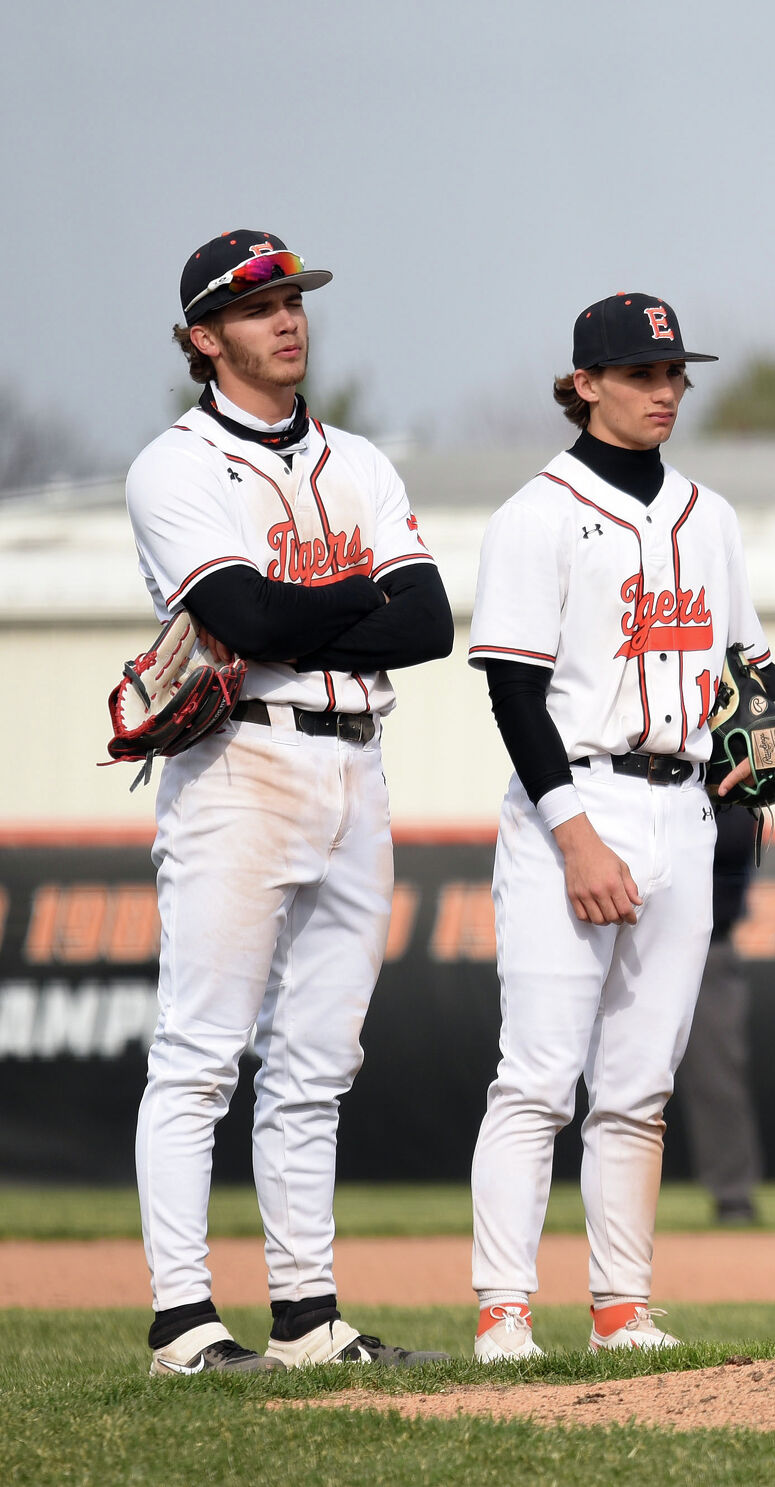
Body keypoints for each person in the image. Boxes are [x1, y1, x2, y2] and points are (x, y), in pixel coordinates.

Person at [467, 293, 775, 1362]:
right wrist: (574, 835)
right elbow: (514, 695)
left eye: (674, 373)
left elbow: (748, 668)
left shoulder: (707, 516)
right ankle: (502, 1309)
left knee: (639, 1083)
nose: (663, 390)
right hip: (575, 795)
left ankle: (620, 1303)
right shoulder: (536, 513)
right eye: (639, 374)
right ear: (584, 383)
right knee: (536, 1072)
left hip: (685, 805)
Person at [126, 231, 453, 1373]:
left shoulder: (357, 457)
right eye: (257, 304)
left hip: (357, 759)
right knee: (200, 1050)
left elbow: (428, 626)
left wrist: (310, 602)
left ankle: (308, 1316)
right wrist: (355, 589)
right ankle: (182, 1322)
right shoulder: (173, 466)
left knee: (318, 1057)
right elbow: (247, 626)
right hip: (239, 766)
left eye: (294, 298)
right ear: (204, 336)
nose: (287, 318)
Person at [679, 802, 766, 1226]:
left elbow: (733, 840)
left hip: (709, 944)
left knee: (718, 1075)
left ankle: (733, 1198)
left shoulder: (730, 744)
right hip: (624, 929)